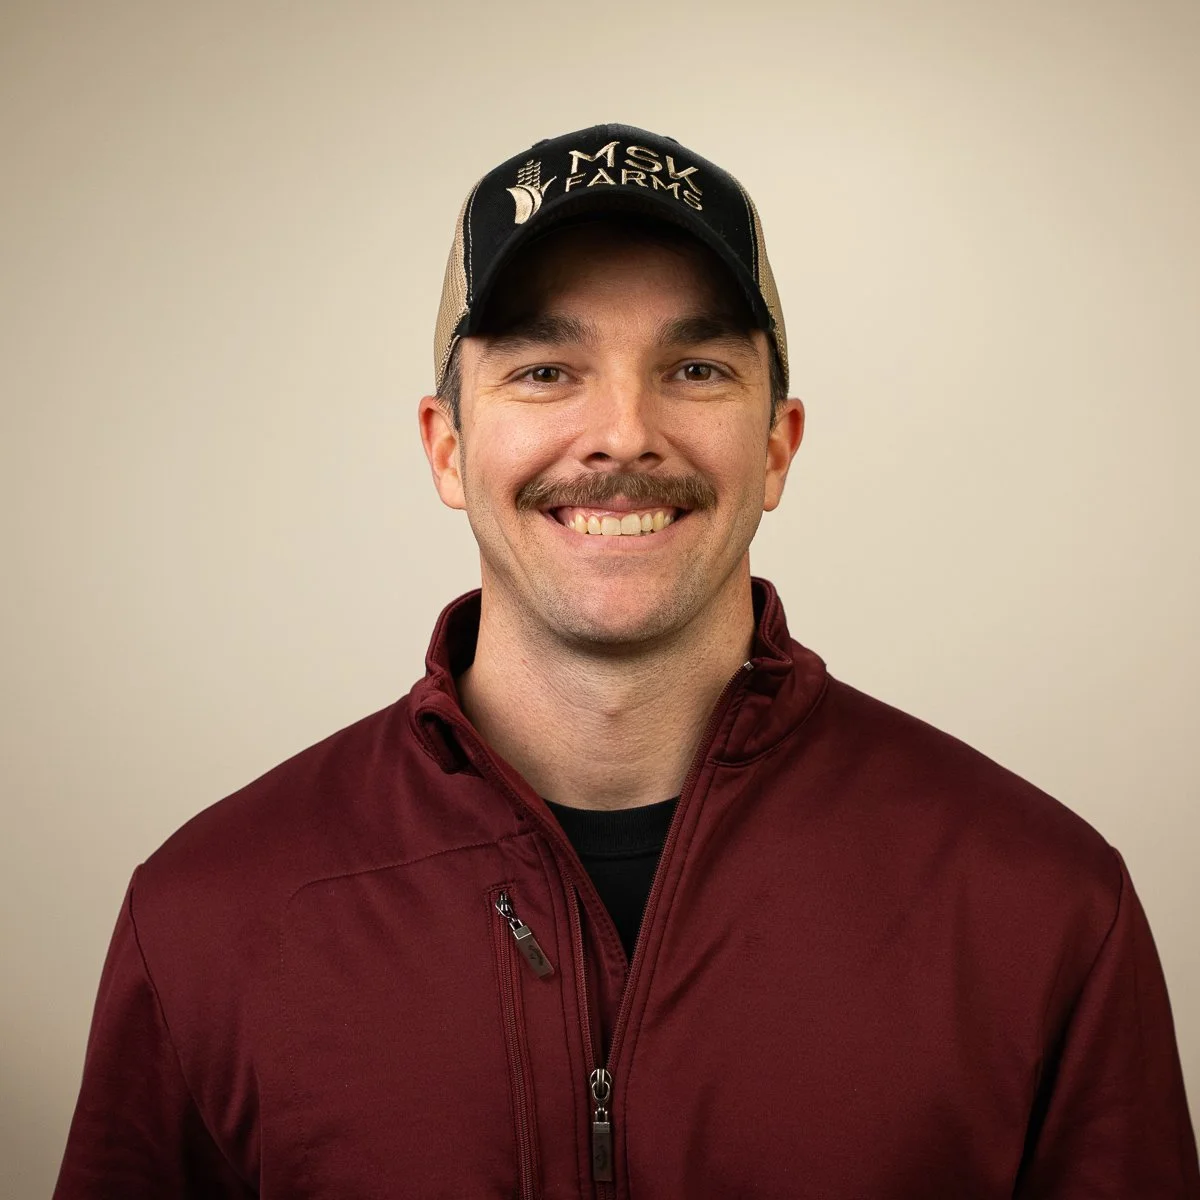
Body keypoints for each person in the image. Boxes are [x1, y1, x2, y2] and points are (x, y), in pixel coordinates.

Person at [55, 123, 1199, 1199]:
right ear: (447, 448)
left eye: (694, 369)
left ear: (778, 445)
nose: (623, 433)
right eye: (545, 371)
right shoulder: (210, 919)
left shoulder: (1043, 910)